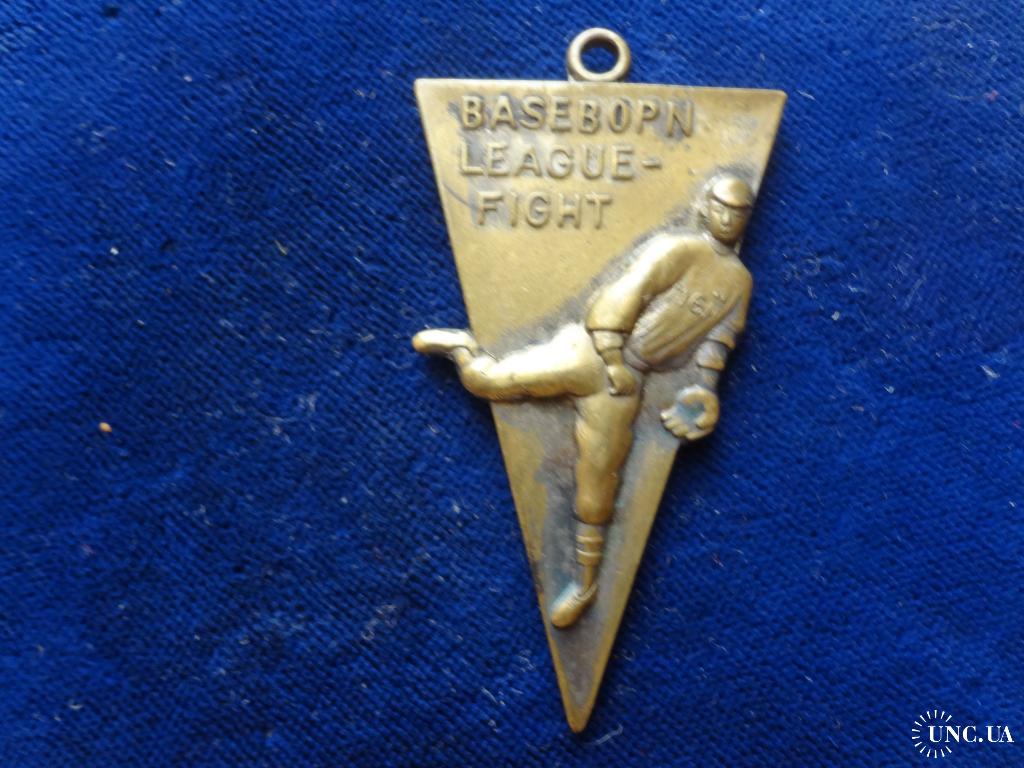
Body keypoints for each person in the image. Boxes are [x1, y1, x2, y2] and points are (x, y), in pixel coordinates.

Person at [413, 173, 756, 628]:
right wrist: (612, 357)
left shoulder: (738, 281)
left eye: (738, 212)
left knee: (599, 486)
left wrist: (705, 388)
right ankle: (462, 348)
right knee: (486, 382)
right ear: (706, 208)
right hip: (591, 352)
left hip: (628, 382)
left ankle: (585, 584)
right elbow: (625, 294)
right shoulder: (678, 249)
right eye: (722, 208)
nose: (728, 219)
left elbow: (719, 339)